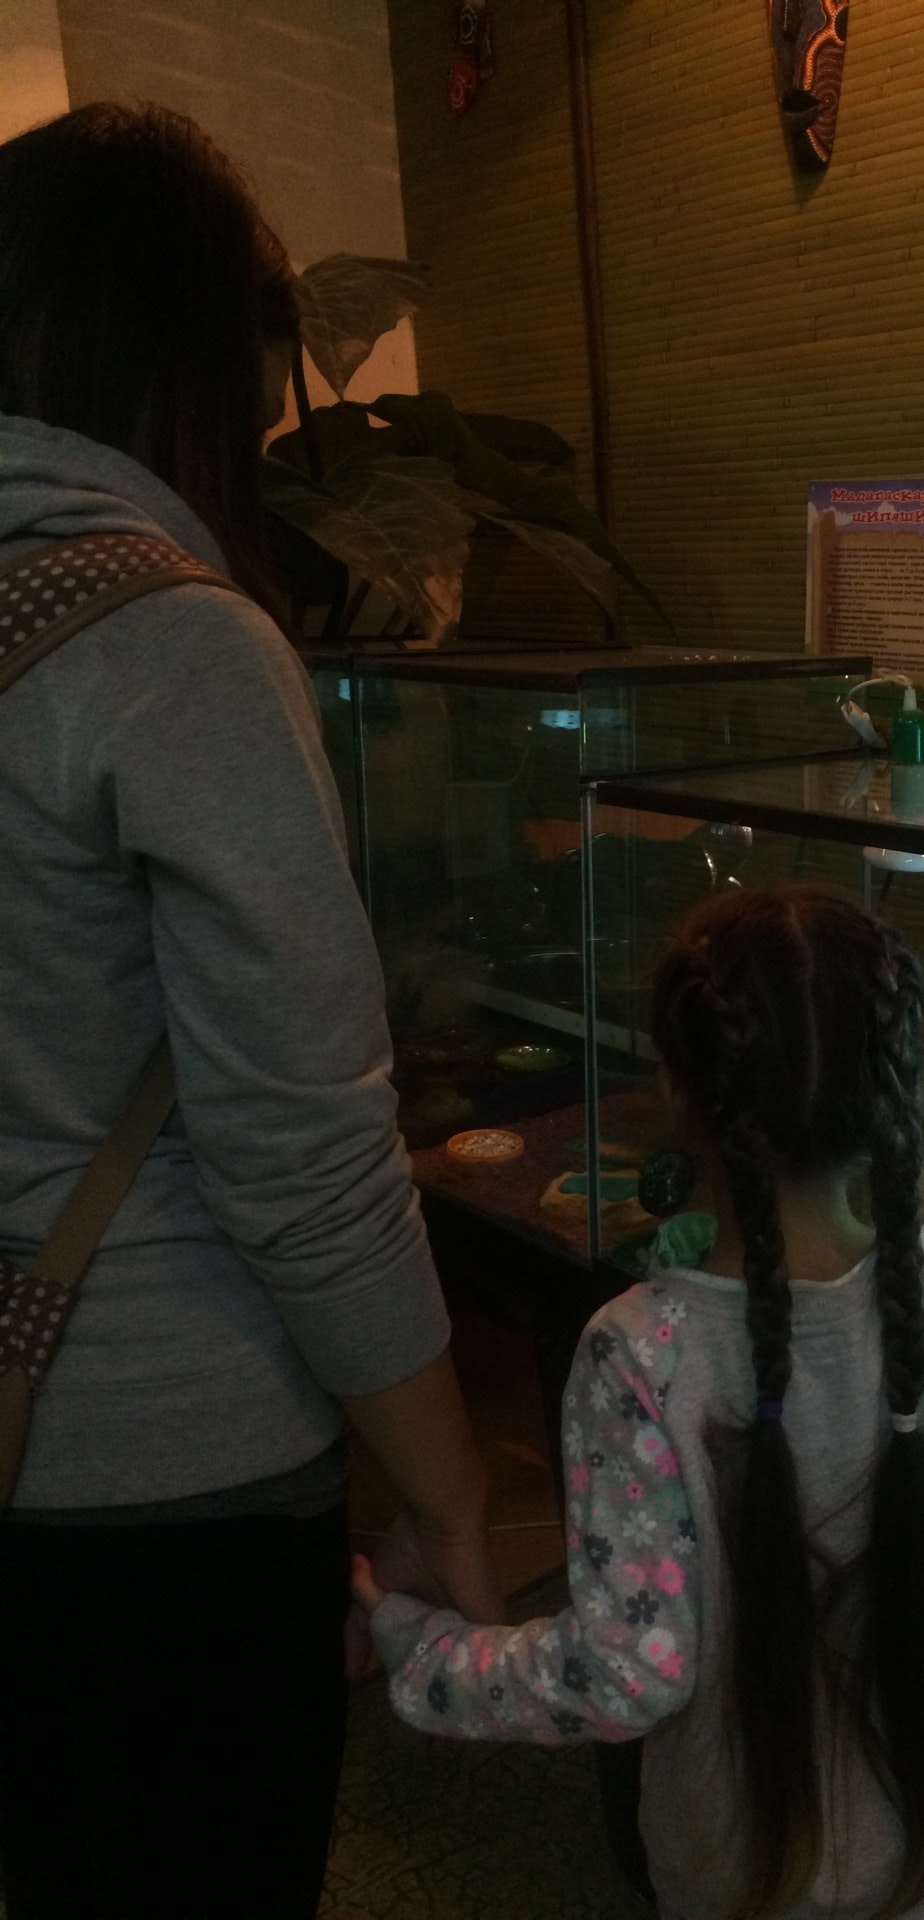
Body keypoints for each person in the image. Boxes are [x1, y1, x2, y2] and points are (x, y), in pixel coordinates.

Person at [0, 104, 501, 1920]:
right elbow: (298, 1153)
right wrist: (445, 1493)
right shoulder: (169, 643)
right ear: (189, 366)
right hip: (174, 1463)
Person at [357, 885, 924, 1920]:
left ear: (678, 1090)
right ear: (895, 1078)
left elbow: (631, 1669)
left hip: (729, 1874)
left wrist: (426, 1651)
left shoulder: (637, 1353)